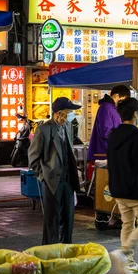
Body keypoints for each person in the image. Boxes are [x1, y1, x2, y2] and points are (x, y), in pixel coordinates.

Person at [107, 98, 138, 274]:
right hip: (137, 189)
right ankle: (124, 252)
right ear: (136, 113)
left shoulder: (113, 134)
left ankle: (129, 264)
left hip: (118, 188)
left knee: (127, 223)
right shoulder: (137, 135)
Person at [29, 97, 81, 245]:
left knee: (68, 217)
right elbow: (33, 157)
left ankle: (66, 246)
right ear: (58, 113)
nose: (71, 115)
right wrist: (43, 175)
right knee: (52, 218)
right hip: (51, 180)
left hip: (68, 179)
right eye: (68, 112)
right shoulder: (44, 130)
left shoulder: (68, 127)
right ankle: (50, 249)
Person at [86, 85, 131, 181]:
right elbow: (106, 132)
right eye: (123, 99)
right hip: (104, 153)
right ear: (116, 96)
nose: (123, 103)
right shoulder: (106, 108)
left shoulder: (112, 108)